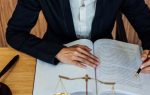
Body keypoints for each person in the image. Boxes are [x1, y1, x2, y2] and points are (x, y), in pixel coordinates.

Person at [6, 0, 150, 73]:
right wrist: (57, 51)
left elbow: (146, 25)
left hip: (104, 57)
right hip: (54, 56)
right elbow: (15, 33)